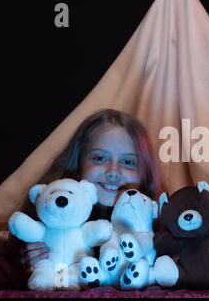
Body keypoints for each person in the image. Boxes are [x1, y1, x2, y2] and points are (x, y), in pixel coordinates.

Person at [14, 109, 161, 277]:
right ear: (78, 163)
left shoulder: (159, 226)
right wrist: (40, 265)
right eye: (99, 158)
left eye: (128, 162)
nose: (113, 172)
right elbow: (60, 282)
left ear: (144, 174)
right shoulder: (50, 217)